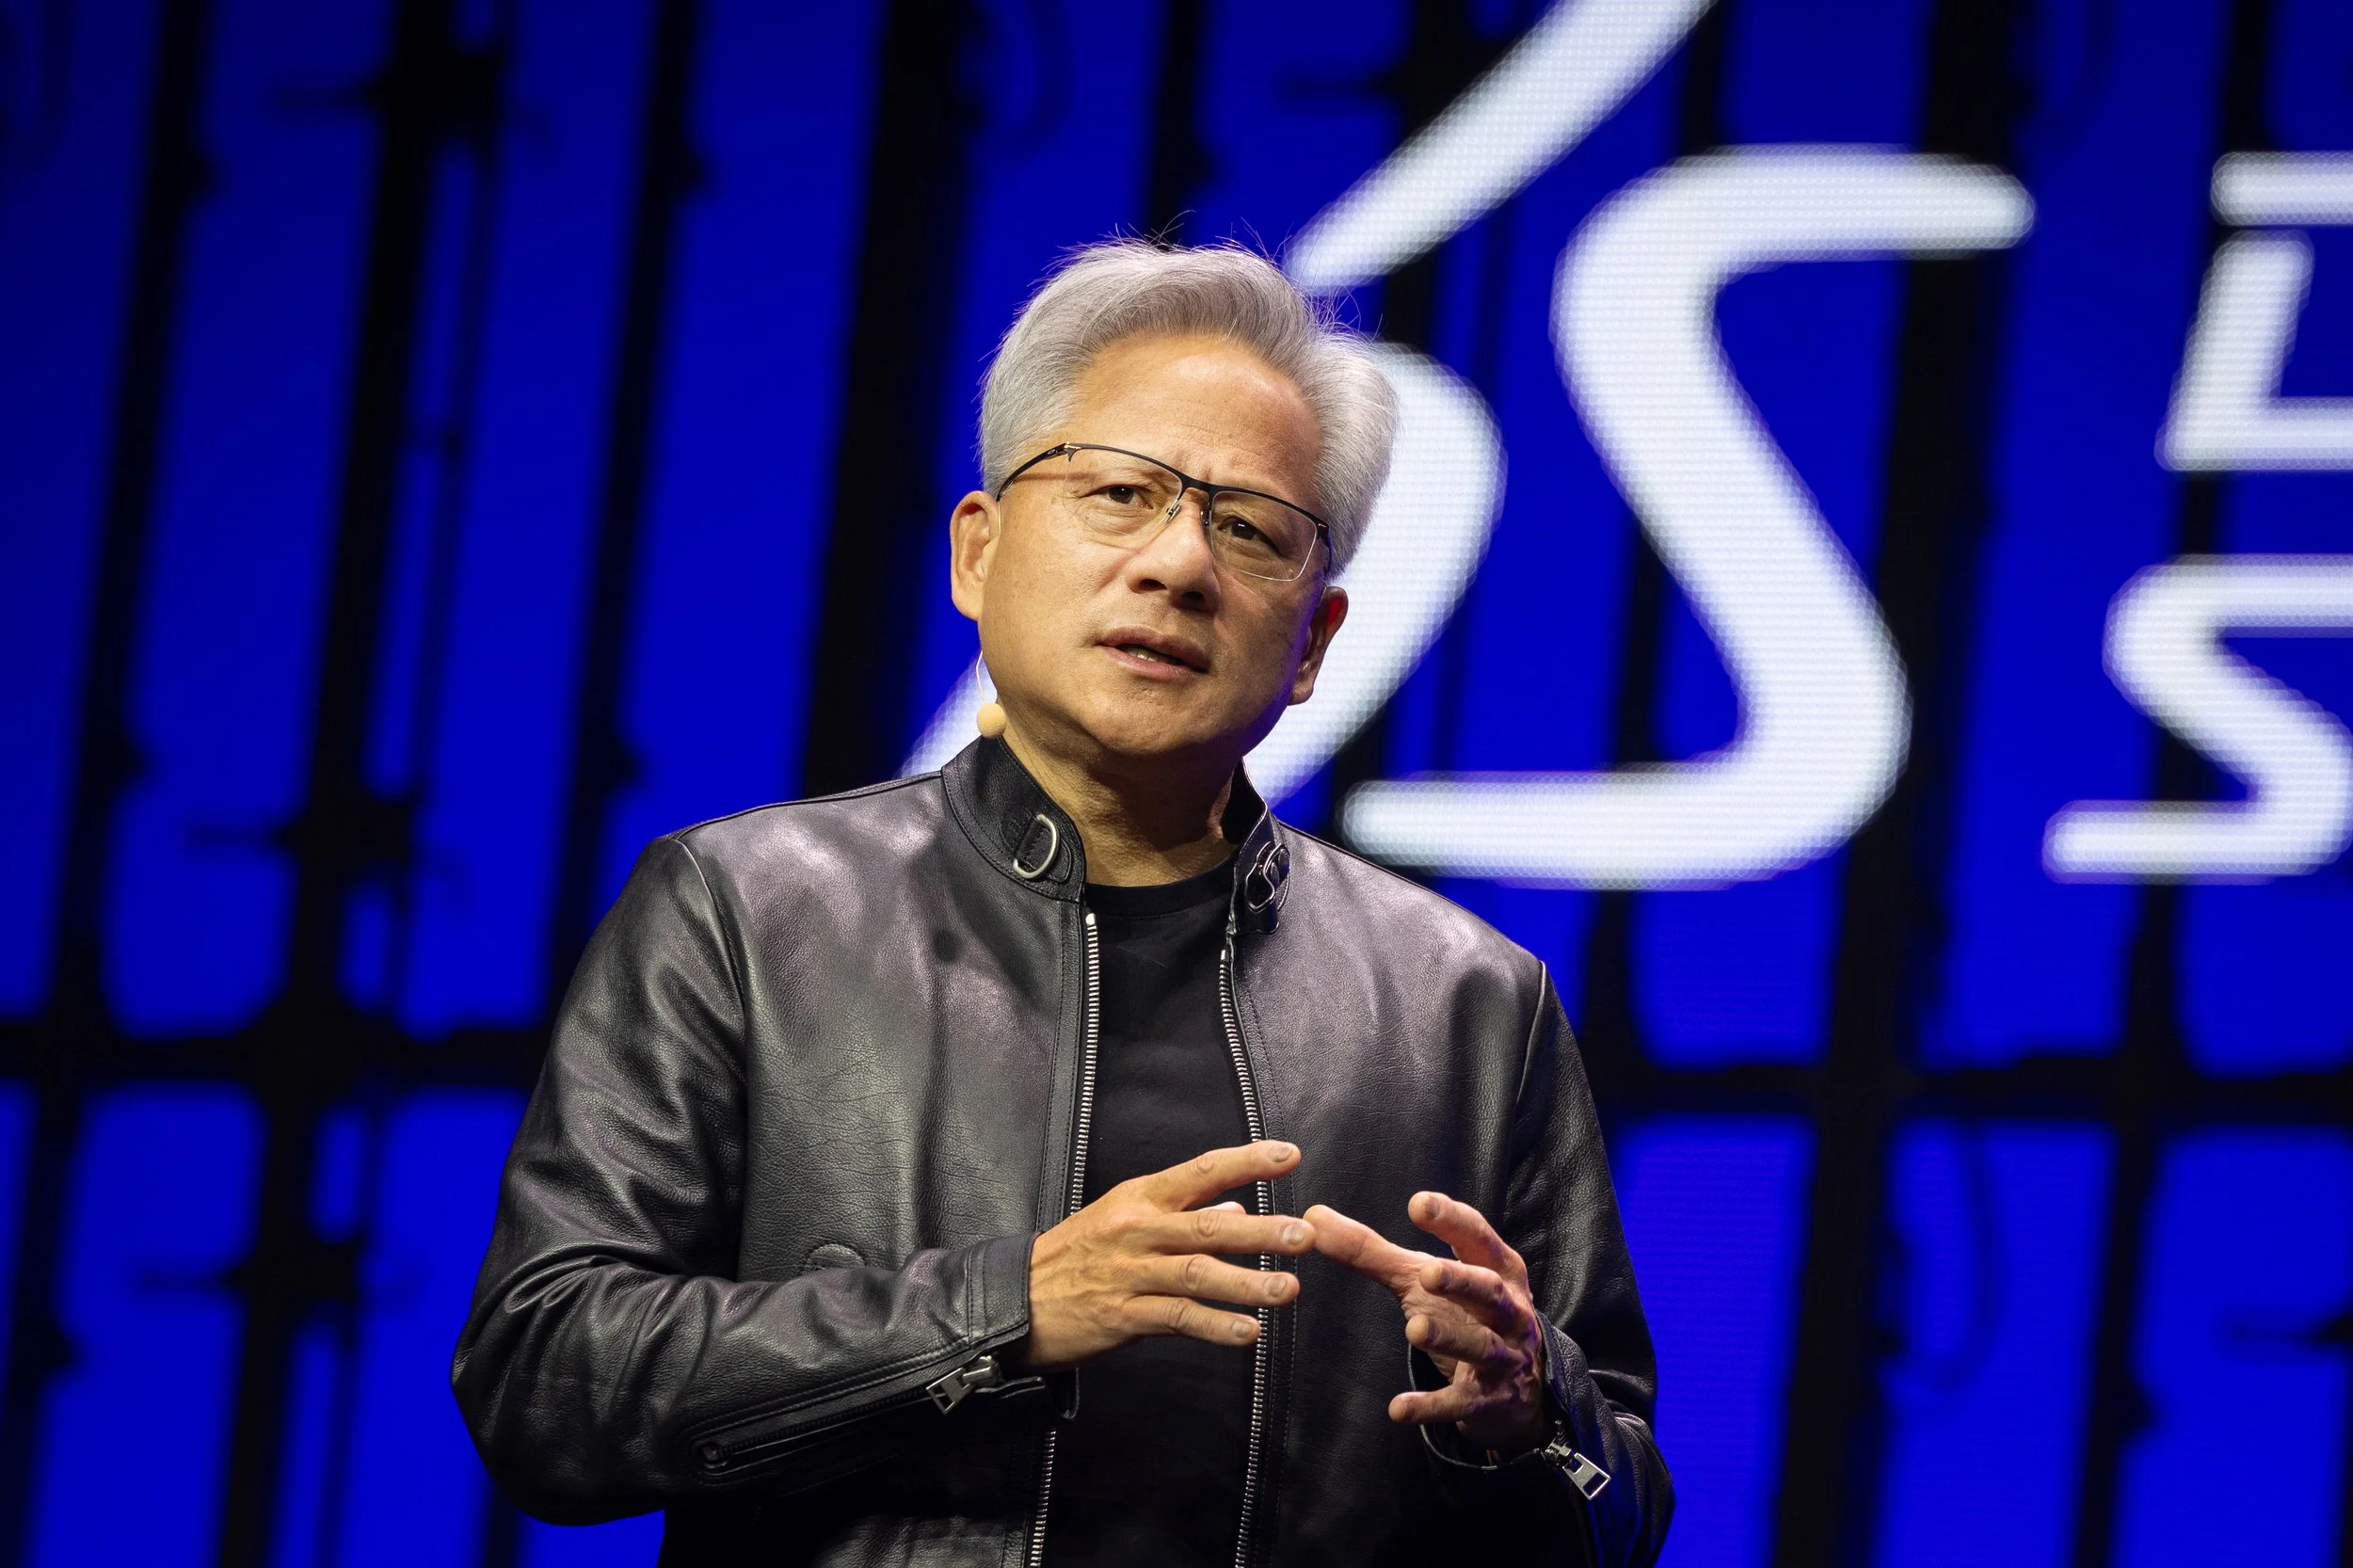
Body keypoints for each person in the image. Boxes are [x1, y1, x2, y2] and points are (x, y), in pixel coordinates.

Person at [454, 240, 1672, 1565]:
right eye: (1121, 492)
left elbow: (1623, 1508)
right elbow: (543, 1384)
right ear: (978, 553)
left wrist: (1517, 1413)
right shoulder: (744, 911)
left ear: (1313, 641)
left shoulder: (1467, 1002)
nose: (1177, 564)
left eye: (1248, 526)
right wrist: (1005, 1307)